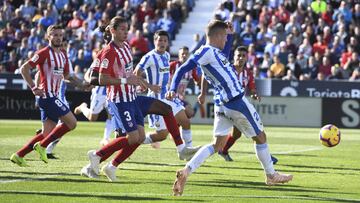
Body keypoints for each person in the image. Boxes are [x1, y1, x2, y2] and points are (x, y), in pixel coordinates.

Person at [167, 20, 293, 196]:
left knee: (217, 145)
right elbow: (182, 69)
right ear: (217, 36)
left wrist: (232, 33)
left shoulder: (214, 53)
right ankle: (271, 175)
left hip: (222, 104)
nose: (226, 40)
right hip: (236, 102)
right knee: (261, 137)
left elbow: (223, 56)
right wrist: (172, 89)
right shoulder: (205, 51)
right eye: (225, 37)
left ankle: (187, 171)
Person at [10, 25, 78, 166]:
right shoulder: (43, 53)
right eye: (55, 35)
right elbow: (24, 69)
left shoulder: (63, 54)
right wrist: (34, 88)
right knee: (72, 123)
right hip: (48, 97)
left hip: (54, 96)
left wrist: (83, 85)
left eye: (60, 35)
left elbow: (66, 75)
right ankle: (42, 146)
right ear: (48, 37)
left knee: (46, 134)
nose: (58, 37)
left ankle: (18, 155)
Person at [134, 30, 196, 148]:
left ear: (168, 43)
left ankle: (189, 149)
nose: (162, 43)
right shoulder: (149, 57)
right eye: (160, 40)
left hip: (168, 96)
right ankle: (134, 142)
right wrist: (149, 86)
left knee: (186, 122)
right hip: (155, 99)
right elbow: (136, 73)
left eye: (165, 41)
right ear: (154, 41)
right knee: (162, 135)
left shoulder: (167, 55)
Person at [217, 46, 278, 164]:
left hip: (239, 106)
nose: (240, 58)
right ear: (233, 57)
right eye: (238, 55)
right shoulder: (227, 69)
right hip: (227, 105)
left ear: (247, 58)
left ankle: (223, 151)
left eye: (243, 56)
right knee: (255, 130)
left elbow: (252, 88)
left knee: (236, 133)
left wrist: (255, 94)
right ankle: (267, 158)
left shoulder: (248, 73)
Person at [169, 46, 202, 118]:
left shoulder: (191, 68)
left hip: (180, 98)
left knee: (189, 114)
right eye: (182, 54)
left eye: (186, 54)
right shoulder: (173, 65)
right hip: (170, 96)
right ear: (179, 55)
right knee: (187, 113)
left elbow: (197, 81)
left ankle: (177, 127)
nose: (184, 56)